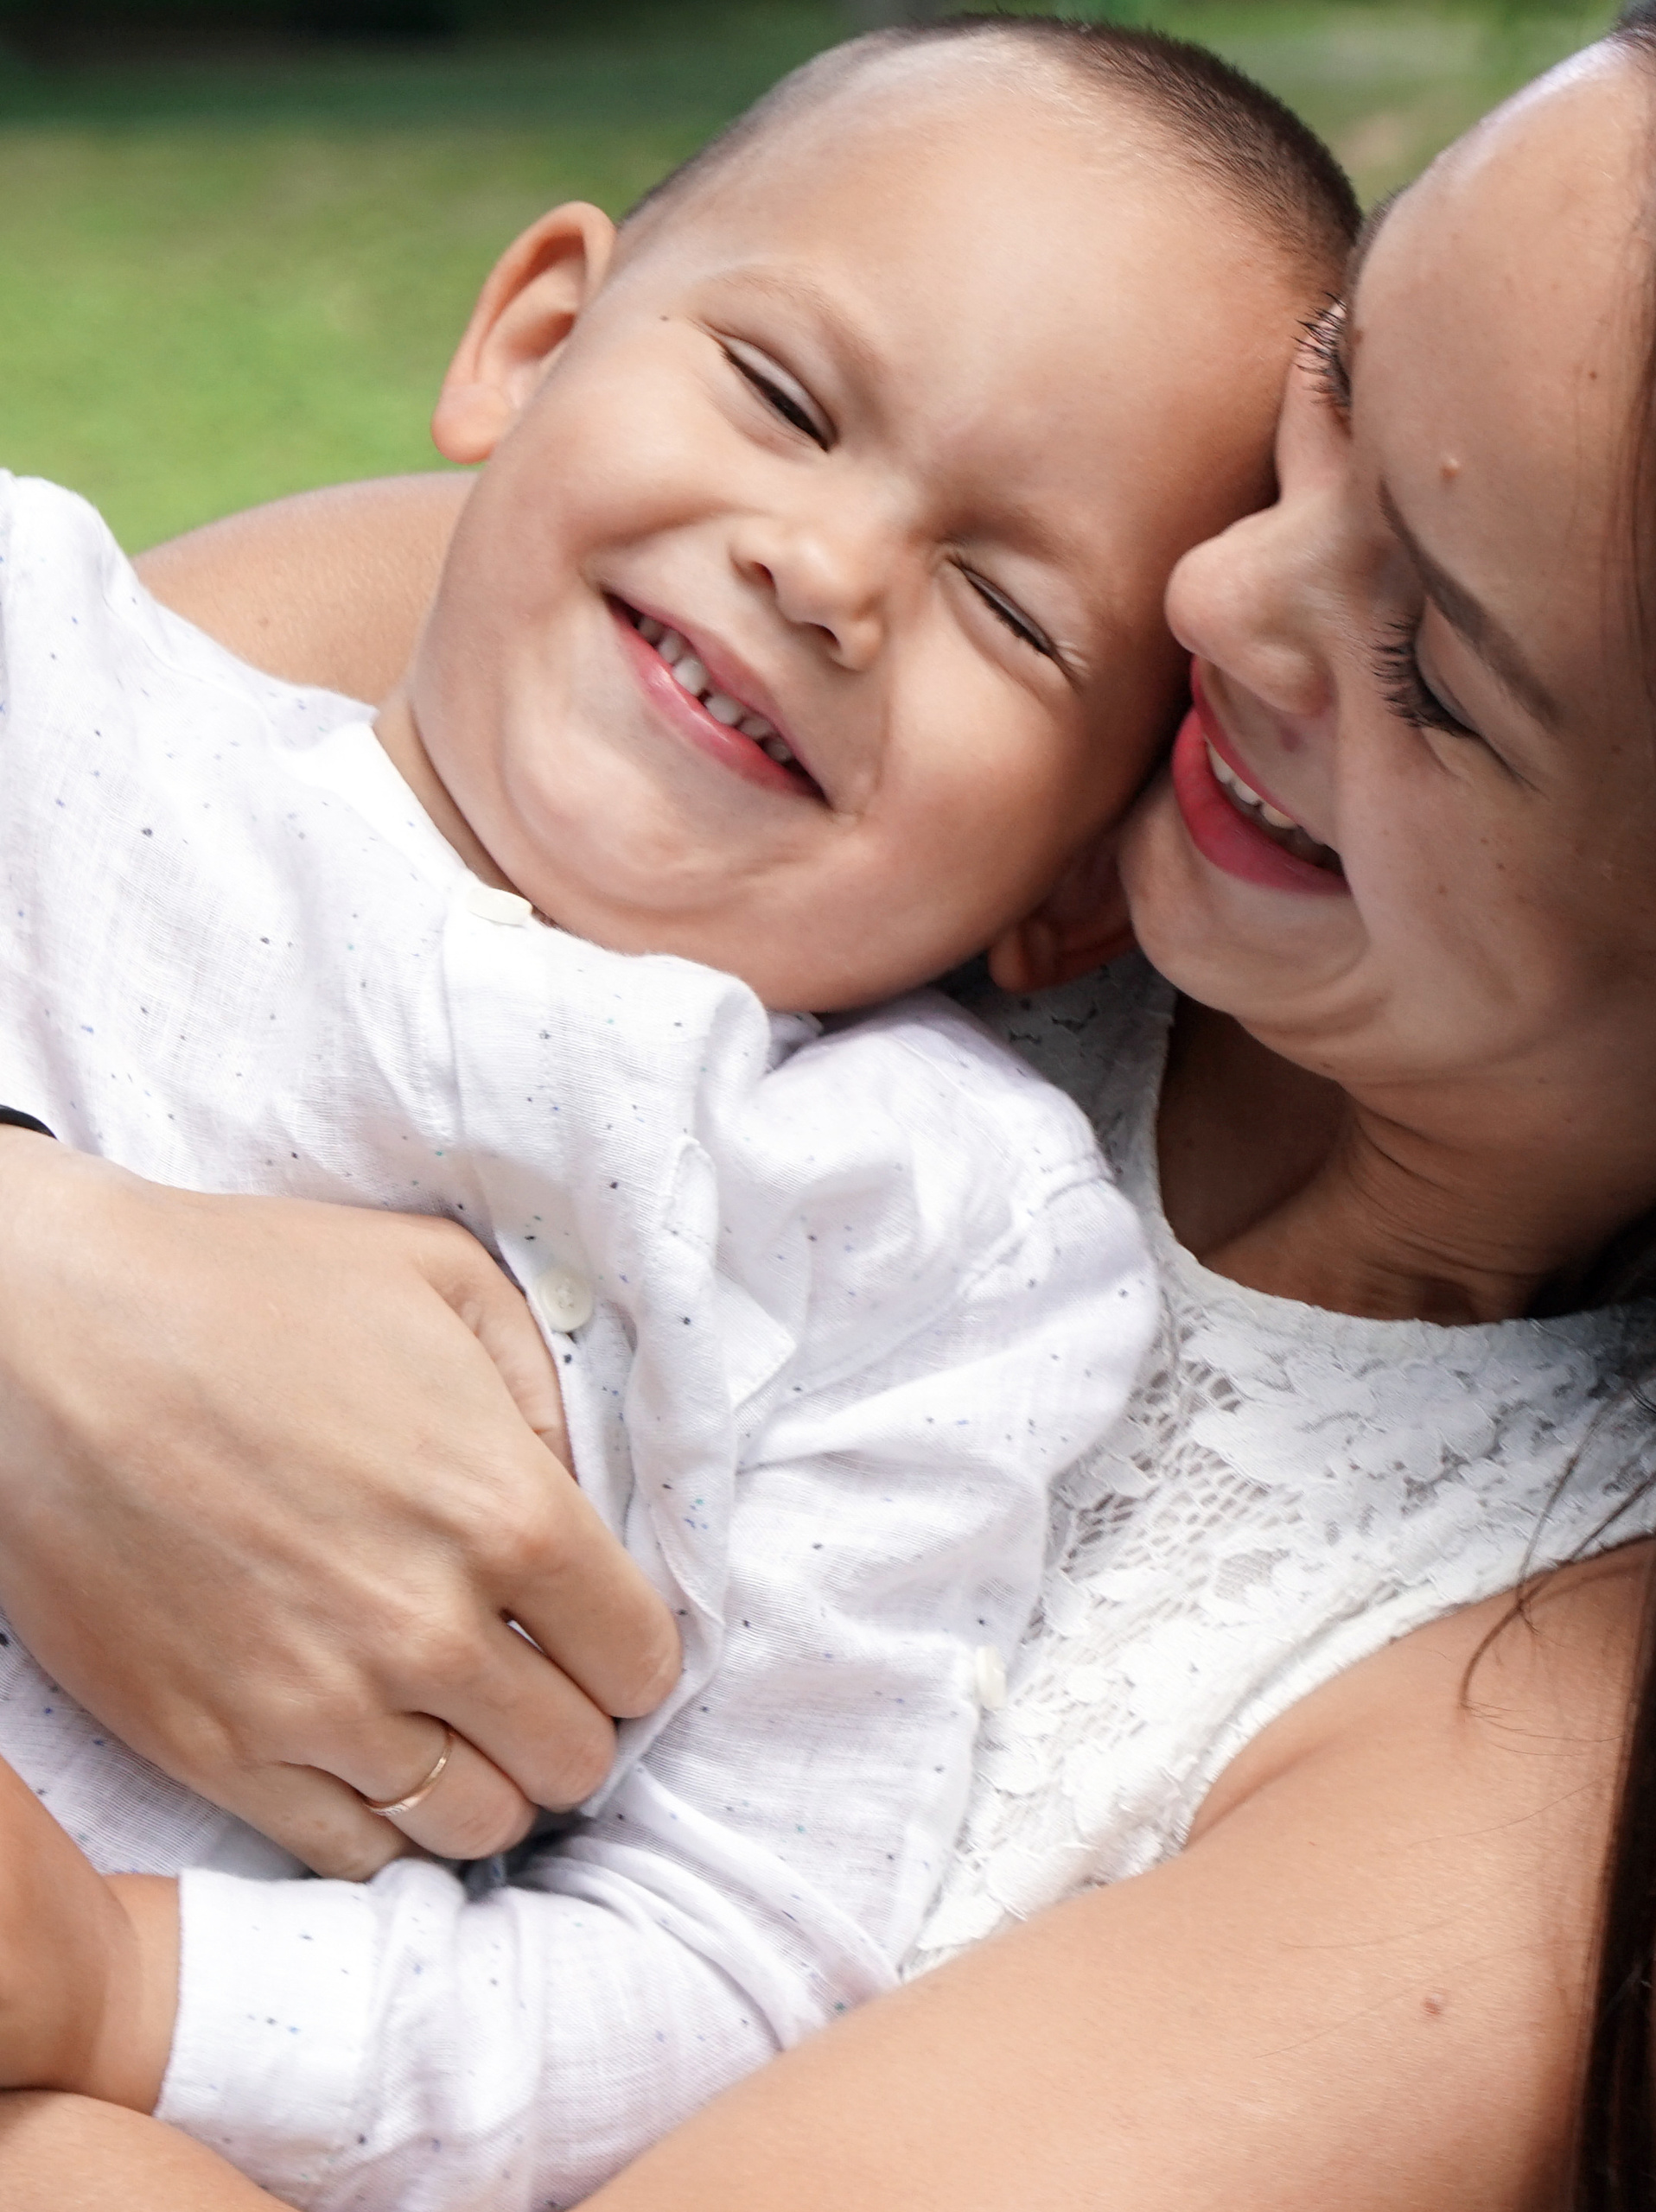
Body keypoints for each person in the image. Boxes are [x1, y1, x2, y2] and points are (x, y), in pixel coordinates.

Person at [3, 0, 1656, 2204]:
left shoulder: (1557, 1748)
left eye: (1433, 675)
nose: (1210, 596)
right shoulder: (716, 643)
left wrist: (101, 2025)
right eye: (1332, 397)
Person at [0, 18, 1360, 2209]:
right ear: (532, 341)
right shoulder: (45, 674)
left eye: (1008, 608)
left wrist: (121, 1983)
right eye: (787, 401)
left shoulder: (920, 1236)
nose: (825, 571)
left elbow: (723, 1954)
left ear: (1075, 891)